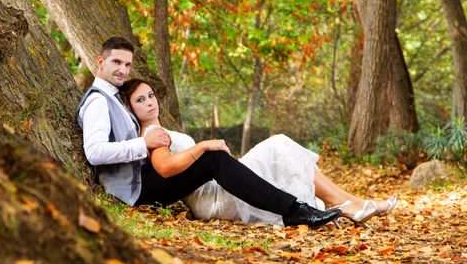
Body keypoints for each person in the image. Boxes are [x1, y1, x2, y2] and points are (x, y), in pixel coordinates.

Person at [76, 36, 342, 228]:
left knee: (216, 159)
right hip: (137, 189)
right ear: (100, 61)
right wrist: (143, 144)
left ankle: (294, 208)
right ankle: (293, 210)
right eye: (116, 62)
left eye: (127, 64)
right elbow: (94, 152)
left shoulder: (114, 96)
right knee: (212, 157)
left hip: (144, 180)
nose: (123, 70)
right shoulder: (98, 100)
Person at [119, 78, 398, 226]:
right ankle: (347, 204)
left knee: (284, 148)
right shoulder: (152, 135)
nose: (149, 103)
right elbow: (165, 167)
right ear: (131, 109)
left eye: (151, 96)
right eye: (140, 100)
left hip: (220, 185)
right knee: (278, 144)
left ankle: (351, 203)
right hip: (213, 199)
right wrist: (203, 145)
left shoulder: (159, 128)